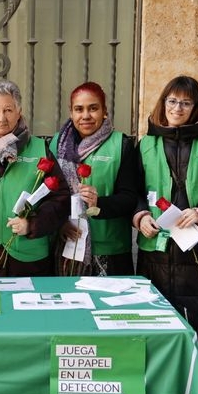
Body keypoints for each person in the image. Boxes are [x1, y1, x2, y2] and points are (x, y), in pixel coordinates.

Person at [133, 75, 198, 362]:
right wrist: (140, 216)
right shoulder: (146, 145)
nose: (177, 108)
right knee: (152, 325)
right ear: (163, 103)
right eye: (172, 101)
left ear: (196, 107)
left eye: (185, 103)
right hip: (155, 253)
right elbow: (133, 190)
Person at [0, 80, 70, 277]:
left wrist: (32, 224)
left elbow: (61, 198)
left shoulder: (39, 149)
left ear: (19, 112)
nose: (1, 118)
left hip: (29, 258)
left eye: (8, 110)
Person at [50, 81, 139, 276]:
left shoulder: (121, 144)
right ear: (71, 113)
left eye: (93, 108)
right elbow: (49, 193)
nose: (86, 116)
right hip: (67, 248)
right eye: (79, 109)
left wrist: (99, 204)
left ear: (104, 111)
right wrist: (58, 223)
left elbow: (130, 197)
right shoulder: (57, 144)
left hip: (109, 250)